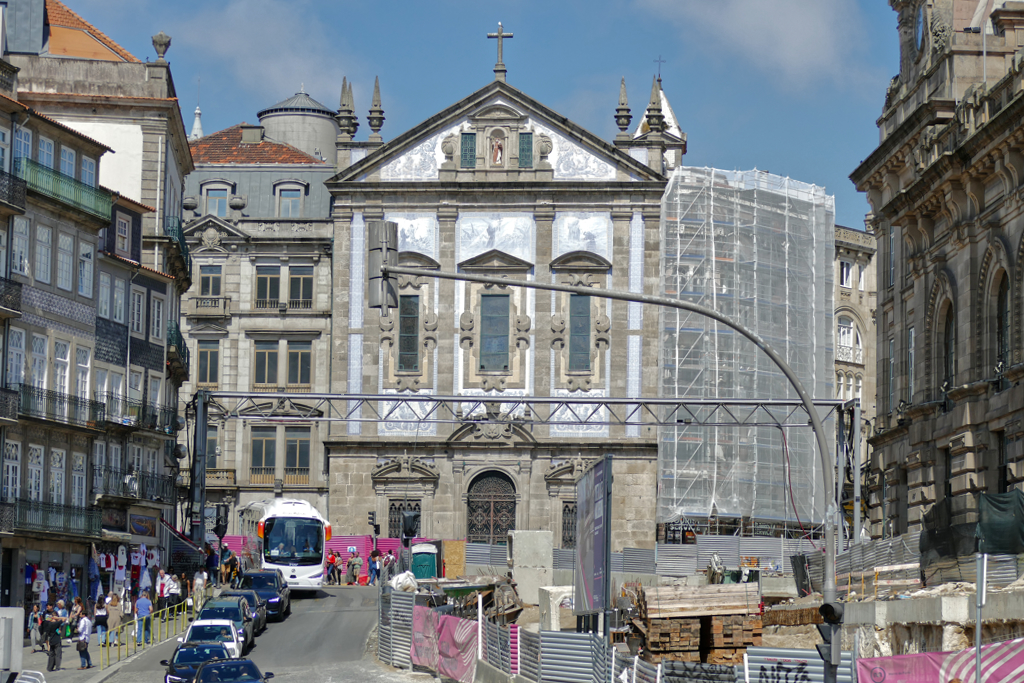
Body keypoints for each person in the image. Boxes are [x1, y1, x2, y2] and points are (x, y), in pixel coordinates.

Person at [44, 605, 63, 672]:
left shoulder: (48, 624)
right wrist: (57, 618)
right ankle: (58, 667)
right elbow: (63, 619)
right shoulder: (56, 623)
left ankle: (50, 668)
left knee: (51, 655)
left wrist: (51, 617)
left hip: (51, 640)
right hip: (57, 640)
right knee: (58, 654)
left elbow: (46, 622)